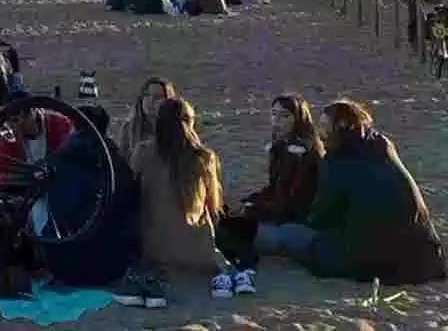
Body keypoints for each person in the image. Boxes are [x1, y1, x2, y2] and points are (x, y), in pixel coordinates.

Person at [264, 100, 445, 285]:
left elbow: (321, 218)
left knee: (284, 233)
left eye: (326, 128)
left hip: (369, 260)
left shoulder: (336, 162)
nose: (322, 134)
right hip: (422, 256)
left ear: (339, 128)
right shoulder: (383, 146)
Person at [126, 98, 240, 303]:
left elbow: (130, 192)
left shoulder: (144, 151)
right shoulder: (204, 157)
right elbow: (213, 207)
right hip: (200, 253)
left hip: (154, 251)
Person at [216, 94, 323, 283]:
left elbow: (294, 202)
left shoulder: (304, 153)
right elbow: (274, 188)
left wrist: (253, 209)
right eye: (274, 115)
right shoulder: (281, 148)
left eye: (284, 116)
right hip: (278, 214)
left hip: (294, 224)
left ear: (298, 119)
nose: (277, 121)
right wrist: (248, 201)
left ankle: (246, 266)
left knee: (227, 229)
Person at [33, 104, 141, 287]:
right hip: (115, 264)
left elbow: (62, 209)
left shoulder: (65, 157)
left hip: (70, 265)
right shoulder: (116, 159)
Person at [117, 77, 176, 158]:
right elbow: (122, 162)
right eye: (147, 95)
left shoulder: (177, 129)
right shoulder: (129, 128)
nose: (151, 101)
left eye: (157, 97)